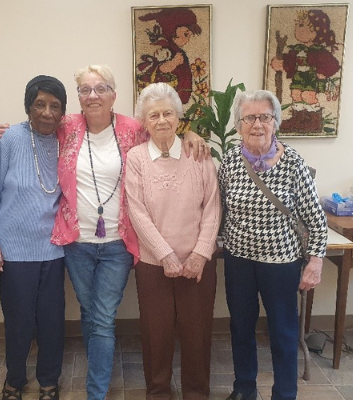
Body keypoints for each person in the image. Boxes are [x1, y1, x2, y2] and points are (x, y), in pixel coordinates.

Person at [50, 65, 209, 400]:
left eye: (101, 88)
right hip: (77, 241)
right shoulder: (66, 127)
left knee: (103, 317)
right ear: (78, 96)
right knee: (90, 312)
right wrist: (6, 134)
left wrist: (193, 135)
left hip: (118, 242)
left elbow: (167, 126)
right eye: (85, 90)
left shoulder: (132, 129)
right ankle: (106, 378)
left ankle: (96, 391)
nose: (93, 95)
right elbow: (38, 124)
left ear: (114, 95)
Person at [217, 90, 327, 400]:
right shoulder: (230, 162)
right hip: (238, 261)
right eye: (249, 117)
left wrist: (315, 262)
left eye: (264, 117)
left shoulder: (292, 163)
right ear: (239, 125)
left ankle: (285, 393)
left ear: (275, 122)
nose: (257, 124)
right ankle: (244, 388)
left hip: (280, 264)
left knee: (283, 332)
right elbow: (219, 208)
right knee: (240, 327)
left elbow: (317, 220)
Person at [125, 82, 220, 400]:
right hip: (154, 265)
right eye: (154, 115)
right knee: (157, 335)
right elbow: (137, 212)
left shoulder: (198, 153)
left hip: (197, 266)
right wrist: (165, 255)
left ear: (179, 117)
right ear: (145, 121)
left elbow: (212, 208)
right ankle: (159, 392)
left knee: (197, 334)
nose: (162, 120)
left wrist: (200, 254)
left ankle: (196, 393)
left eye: (168, 113)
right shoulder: (136, 158)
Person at [0, 75, 67, 400]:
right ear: (28, 107)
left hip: (54, 249)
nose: (47, 112)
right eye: (40, 104)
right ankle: (14, 379)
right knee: (17, 323)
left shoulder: (66, 138)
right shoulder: (11, 139)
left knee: (51, 322)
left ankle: (49, 381)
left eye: (54, 106)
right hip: (15, 251)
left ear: (62, 112)